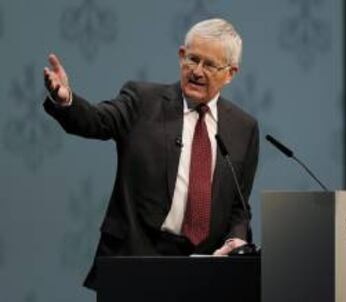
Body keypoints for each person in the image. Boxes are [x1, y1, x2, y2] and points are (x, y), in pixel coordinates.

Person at [43, 18, 259, 291]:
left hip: (205, 273)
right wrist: (67, 101)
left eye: (210, 65)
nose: (197, 71)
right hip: (135, 260)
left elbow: (240, 206)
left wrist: (237, 239)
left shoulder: (244, 128)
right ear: (181, 55)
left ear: (230, 73)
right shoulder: (142, 101)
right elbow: (97, 120)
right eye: (192, 59)